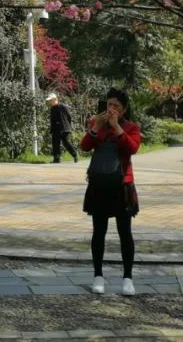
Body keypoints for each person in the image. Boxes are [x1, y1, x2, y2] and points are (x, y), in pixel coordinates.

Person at [80, 87, 141, 297]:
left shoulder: (131, 127)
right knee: (99, 231)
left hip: (122, 185)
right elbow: (85, 146)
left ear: (123, 110)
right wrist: (97, 126)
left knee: (125, 233)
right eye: (109, 104)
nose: (111, 109)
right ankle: (98, 275)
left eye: (116, 106)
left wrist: (117, 128)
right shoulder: (97, 123)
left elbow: (133, 148)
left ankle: (127, 278)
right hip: (99, 184)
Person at [46, 92, 79, 163]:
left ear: (55, 99)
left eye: (50, 100)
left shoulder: (63, 106)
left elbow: (69, 117)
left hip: (64, 128)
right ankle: (56, 159)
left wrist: (68, 126)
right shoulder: (52, 109)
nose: (49, 102)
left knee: (66, 142)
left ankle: (75, 155)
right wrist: (52, 129)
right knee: (55, 143)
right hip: (55, 128)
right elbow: (52, 120)